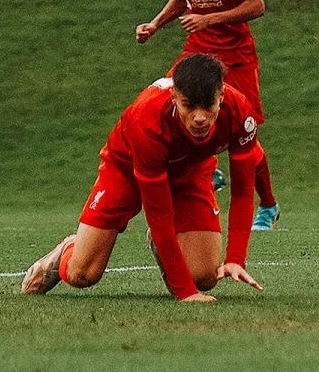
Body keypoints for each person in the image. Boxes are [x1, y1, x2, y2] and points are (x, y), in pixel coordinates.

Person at [20, 54, 266, 302]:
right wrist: (186, 293)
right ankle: (66, 251)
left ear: (221, 96)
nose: (199, 117)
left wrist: (235, 259)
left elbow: (244, 192)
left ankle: (167, 252)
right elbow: (159, 217)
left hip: (191, 171)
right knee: (82, 274)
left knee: (204, 277)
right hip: (125, 168)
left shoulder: (241, 114)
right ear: (175, 98)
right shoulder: (147, 120)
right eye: (189, 106)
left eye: (208, 106)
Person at [135, 0, 281, 231]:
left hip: (236, 57)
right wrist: (155, 25)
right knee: (168, 101)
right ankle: (206, 170)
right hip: (197, 51)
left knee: (245, 133)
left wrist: (209, 19)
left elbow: (256, 5)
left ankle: (269, 206)